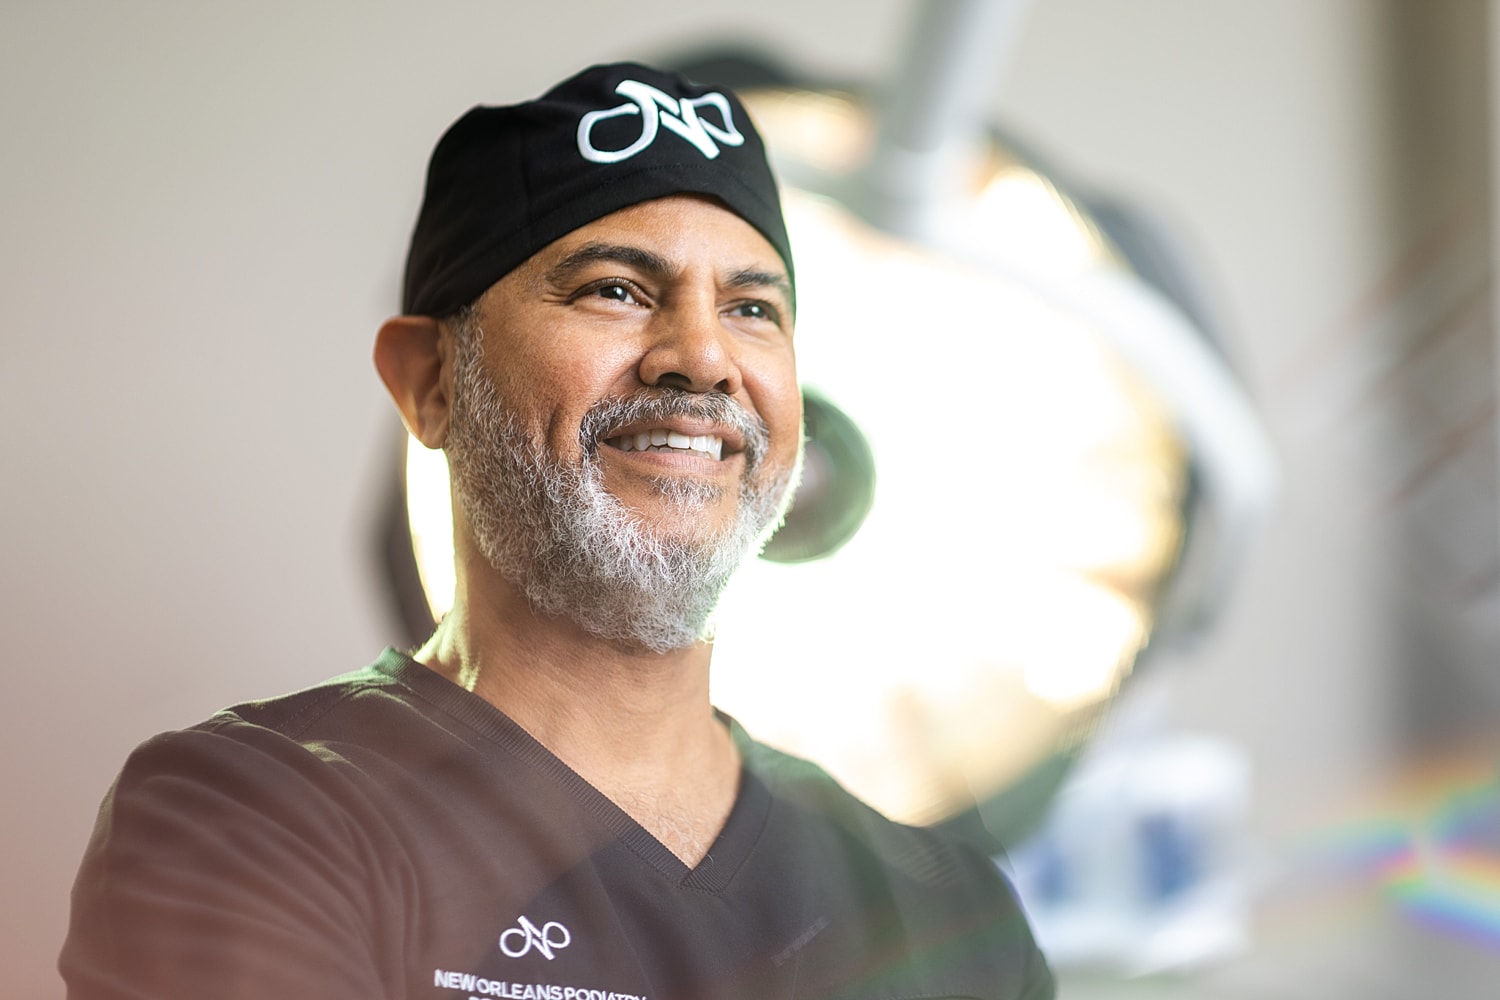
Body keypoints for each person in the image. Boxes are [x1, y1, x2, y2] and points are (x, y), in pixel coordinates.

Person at [60, 62, 1055, 1000]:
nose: (703, 358)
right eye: (616, 290)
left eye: (754, 307)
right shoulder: (254, 819)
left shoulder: (942, 910)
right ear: (432, 384)